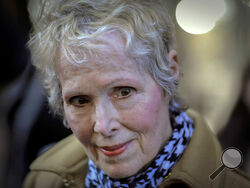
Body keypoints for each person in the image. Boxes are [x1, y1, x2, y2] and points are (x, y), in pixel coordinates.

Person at [23, 0, 250, 187]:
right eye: (80, 100)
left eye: (124, 92)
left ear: (169, 73)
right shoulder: (43, 180)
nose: (103, 125)